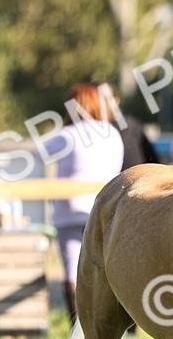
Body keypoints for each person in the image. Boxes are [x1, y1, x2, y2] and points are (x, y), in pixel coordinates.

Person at [41, 83, 125, 326]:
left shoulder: (68, 135)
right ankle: (108, 325)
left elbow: (38, 154)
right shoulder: (112, 134)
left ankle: (78, 326)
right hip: (105, 208)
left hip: (69, 209)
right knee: (106, 269)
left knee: (71, 270)